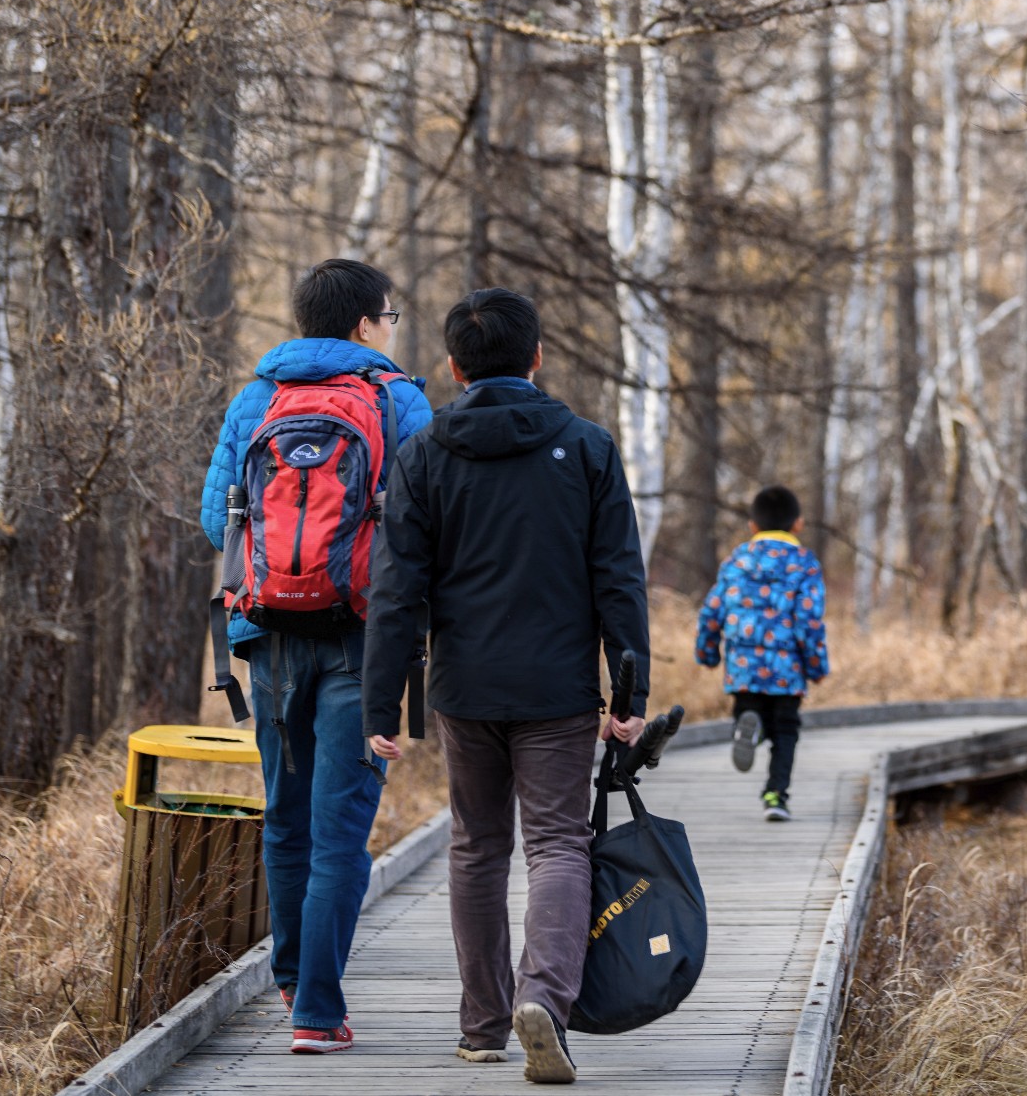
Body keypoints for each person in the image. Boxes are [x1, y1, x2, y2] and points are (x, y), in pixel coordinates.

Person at [363, 287, 650, 1086]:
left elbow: (396, 590)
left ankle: (484, 1024)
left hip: (464, 687)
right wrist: (628, 692)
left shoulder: (422, 455)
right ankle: (546, 1004)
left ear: (453, 368)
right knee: (559, 841)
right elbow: (619, 578)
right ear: (538, 356)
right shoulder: (587, 447)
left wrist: (382, 701)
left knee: (477, 845)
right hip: (560, 687)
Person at [201, 257, 434, 1055]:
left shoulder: (255, 398)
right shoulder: (397, 399)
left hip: (267, 637)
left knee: (286, 820)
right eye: (390, 317)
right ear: (368, 323)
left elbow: (214, 519)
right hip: (363, 641)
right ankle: (317, 1012)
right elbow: (425, 525)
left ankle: (296, 982)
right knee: (341, 829)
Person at [694, 485, 829, 821]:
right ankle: (776, 795)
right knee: (786, 730)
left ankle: (748, 729)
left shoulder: (737, 559)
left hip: (743, 667)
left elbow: (712, 610)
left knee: (749, 712)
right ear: (798, 524)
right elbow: (808, 620)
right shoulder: (804, 564)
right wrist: (816, 665)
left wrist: (708, 653)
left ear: (752, 525)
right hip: (786, 669)